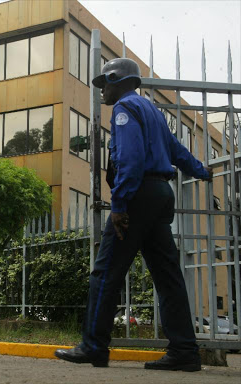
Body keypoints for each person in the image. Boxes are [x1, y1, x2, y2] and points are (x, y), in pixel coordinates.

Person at [55, 58, 212, 371]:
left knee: (105, 273)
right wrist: (201, 171)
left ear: (118, 80)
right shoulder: (151, 110)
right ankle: (184, 351)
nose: (102, 91)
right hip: (160, 195)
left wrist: (119, 204)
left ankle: (93, 345)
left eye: (105, 84)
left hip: (137, 197)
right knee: (169, 278)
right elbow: (176, 151)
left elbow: (130, 159)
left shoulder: (124, 110)